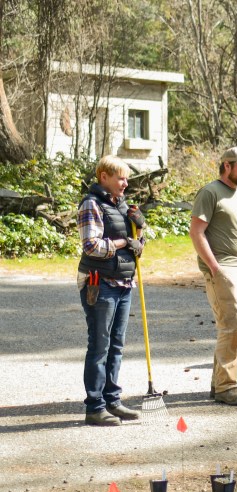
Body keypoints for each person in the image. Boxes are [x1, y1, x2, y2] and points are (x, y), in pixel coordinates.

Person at [77, 155, 145, 426]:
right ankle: (95, 407)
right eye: (121, 178)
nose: (125, 183)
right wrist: (122, 242)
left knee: (116, 345)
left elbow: (135, 242)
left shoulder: (122, 205)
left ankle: (113, 401)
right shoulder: (91, 204)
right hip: (100, 283)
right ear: (103, 176)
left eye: (127, 178)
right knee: (100, 345)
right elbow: (91, 246)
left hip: (125, 282)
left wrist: (140, 230)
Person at [190, 147, 237, 406]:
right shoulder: (210, 192)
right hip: (223, 269)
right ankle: (226, 387)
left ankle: (219, 380)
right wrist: (214, 267)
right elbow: (197, 232)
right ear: (226, 166)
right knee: (232, 326)